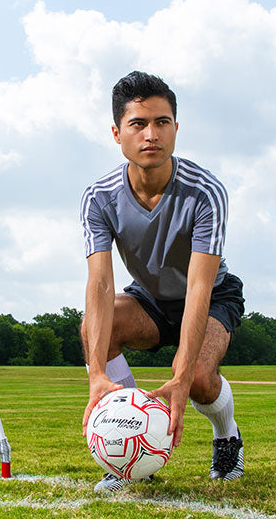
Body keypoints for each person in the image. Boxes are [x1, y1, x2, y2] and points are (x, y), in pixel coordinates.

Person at [79, 71, 245, 493]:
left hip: (208, 295)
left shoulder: (205, 192)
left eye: (162, 122)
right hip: (150, 298)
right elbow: (99, 286)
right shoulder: (99, 197)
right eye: (138, 124)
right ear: (117, 133)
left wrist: (181, 374)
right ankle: (129, 442)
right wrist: (97, 374)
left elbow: (199, 289)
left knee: (201, 381)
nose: (151, 134)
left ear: (175, 128)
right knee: (99, 325)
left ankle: (227, 436)